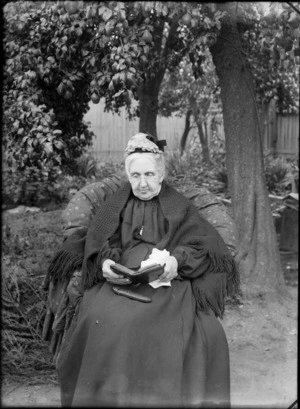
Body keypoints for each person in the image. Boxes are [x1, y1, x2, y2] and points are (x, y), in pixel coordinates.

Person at [46, 132, 239, 407]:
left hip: (166, 279)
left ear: (161, 175)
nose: (143, 183)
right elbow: (100, 240)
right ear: (128, 175)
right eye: (135, 176)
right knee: (103, 319)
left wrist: (175, 262)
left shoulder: (179, 206)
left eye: (149, 174)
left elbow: (200, 243)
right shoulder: (115, 205)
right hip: (122, 277)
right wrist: (105, 264)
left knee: (192, 330)